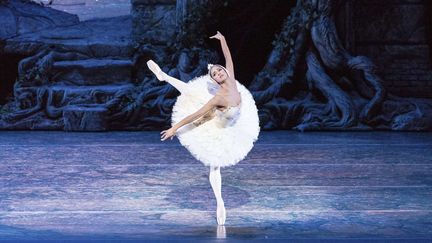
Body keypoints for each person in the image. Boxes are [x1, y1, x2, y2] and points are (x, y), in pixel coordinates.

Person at [147, 31, 260, 225]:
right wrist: (174, 127)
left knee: (196, 98)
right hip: (218, 126)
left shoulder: (232, 79)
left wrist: (223, 39)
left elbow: (228, 56)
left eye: (219, 70)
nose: (218, 73)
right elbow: (196, 113)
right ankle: (220, 202)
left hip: (234, 124)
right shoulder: (218, 97)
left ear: (225, 71)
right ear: (215, 80)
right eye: (215, 74)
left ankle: (165, 77)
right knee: (194, 101)